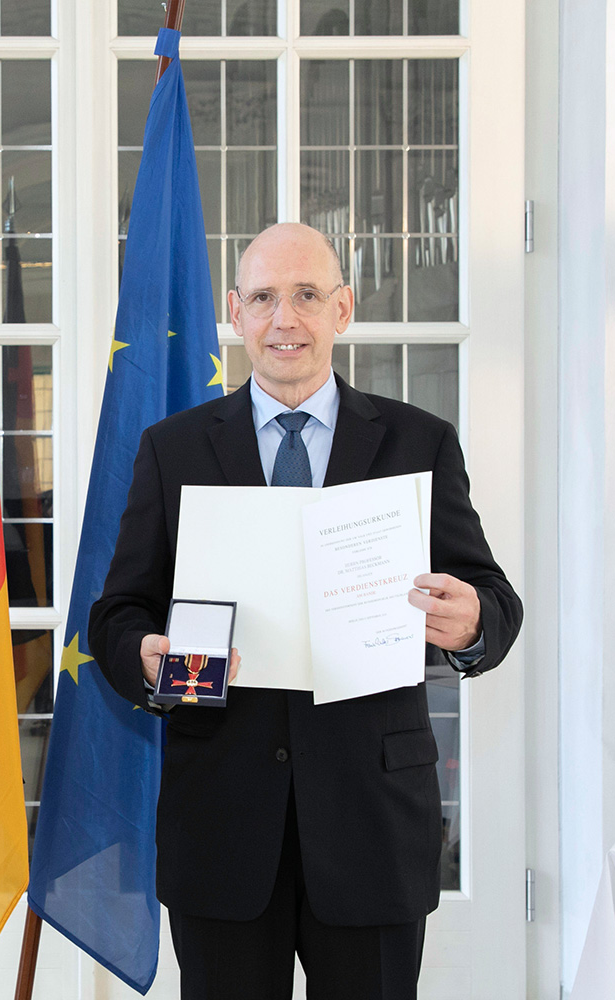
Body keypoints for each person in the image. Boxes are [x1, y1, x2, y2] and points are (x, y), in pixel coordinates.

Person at [89, 223, 522, 1000]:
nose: (284, 320)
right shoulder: (173, 448)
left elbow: (492, 598)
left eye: (306, 296)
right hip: (221, 824)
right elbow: (118, 612)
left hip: (374, 824)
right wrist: (144, 655)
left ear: (343, 309)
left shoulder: (418, 442)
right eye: (263, 298)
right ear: (236, 313)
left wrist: (473, 625)